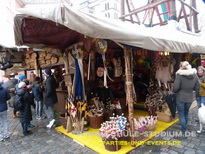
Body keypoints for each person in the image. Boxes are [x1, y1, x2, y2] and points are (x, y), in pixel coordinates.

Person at [173, 61, 200, 136]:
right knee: (186, 113)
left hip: (180, 97)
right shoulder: (194, 75)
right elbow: (198, 87)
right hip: (189, 97)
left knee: (181, 114)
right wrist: (191, 89)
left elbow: (175, 88)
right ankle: (185, 128)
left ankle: (183, 131)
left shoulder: (179, 75)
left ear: (181, 67)